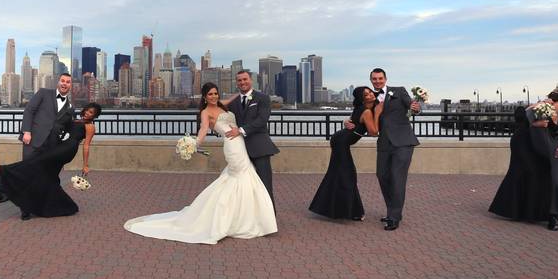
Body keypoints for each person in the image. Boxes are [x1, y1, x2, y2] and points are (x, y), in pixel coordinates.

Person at [123, 83, 278, 244]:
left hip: (241, 143)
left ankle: (245, 216)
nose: (214, 96)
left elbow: (237, 98)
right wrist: (194, 144)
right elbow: (204, 129)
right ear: (204, 97)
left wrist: (247, 92)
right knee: (240, 178)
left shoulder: (222, 105)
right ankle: (239, 219)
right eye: (210, 94)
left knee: (242, 178)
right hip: (232, 146)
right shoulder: (205, 112)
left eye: (215, 93)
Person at [0, 103, 102, 220]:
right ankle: (38, 207)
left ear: (95, 116)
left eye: (91, 113)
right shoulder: (76, 120)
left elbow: (86, 146)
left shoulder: (90, 126)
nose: (87, 114)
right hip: (60, 146)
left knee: (36, 161)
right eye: (87, 111)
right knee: (47, 177)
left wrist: (85, 165)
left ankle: (4, 169)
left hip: (68, 149)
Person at [489, 87, 558, 226]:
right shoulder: (543, 106)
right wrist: (534, 122)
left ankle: (539, 212)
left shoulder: (555, 111)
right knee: (524, 172)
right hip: (524, 142)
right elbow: (521, 116)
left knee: (539, 174)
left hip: (539, 143)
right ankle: (518, 211)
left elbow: (551, 130)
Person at [351, 68, 420, 231]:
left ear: (385, 79)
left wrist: (415, 107)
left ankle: (394, 216)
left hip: (403, 142)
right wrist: (349, 124)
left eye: (380, 78)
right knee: (382, 176)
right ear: (371, 81)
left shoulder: (399, 91)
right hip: (384, 144)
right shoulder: (371, 100)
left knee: (397, 178)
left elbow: (411, 105)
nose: (377, 81)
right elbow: (361, 117)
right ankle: (393, 210)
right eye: (374, 79)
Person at [309, 86, 381, 220]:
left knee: (338, 175)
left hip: (340, 141)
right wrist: (377, 113)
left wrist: (346, 121)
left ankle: (338, 210)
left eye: (370, 92)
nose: (370, 95)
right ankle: (354, 212)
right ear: (362, 99)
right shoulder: (366, 111)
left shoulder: (363, 109)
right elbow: (373, 132)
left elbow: (352, 123)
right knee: (347, 176)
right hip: (340, 143)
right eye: (366, 95)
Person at [225, 70, 279, 209]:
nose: (242, 82)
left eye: (245, 79)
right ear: (236, 83)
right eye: (239, 80)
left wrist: (241, 131)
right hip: (240, 150)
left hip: (259, 148)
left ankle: (269, 217)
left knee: (264, 183)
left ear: (251, 80)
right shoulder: (233, 102)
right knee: (244, 186)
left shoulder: (262, 98)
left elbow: (262, 120)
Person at [20, 72, 75, 160]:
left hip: (52, 146)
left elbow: (67, 126)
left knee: (45, 172)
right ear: (58, 82)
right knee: (27, 169)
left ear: (71, 85)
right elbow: (29, 111)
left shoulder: (71, 107)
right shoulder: (43, 93)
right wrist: (26, 132)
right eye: (62, 81)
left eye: (68, 82)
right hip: (33, 140)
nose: (65, 83)